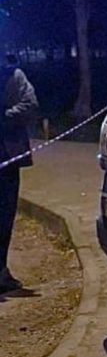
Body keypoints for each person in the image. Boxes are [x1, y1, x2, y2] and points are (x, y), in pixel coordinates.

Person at [0, 58, 38, 293]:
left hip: (7, 155)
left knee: (4, 216)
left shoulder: (12, 75)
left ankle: (1, 272)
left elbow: (29, 104)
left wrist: (6, 116)